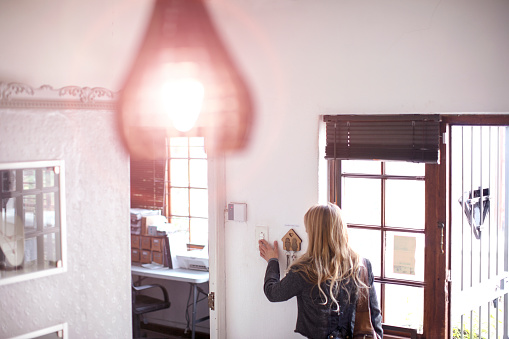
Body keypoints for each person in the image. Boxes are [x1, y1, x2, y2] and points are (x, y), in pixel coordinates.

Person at [258, 203, 383, 339]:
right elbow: (374, 316)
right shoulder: (362, 265)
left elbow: (273, 293)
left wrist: (272, 261)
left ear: (314, 234)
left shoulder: (304, 271)